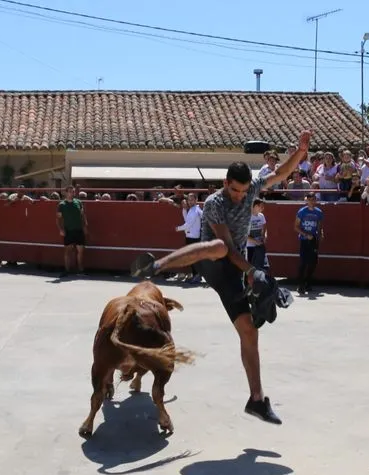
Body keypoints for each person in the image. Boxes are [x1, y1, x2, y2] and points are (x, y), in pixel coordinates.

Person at [131, 130, 314, 425]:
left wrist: (300, 153)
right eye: (235, 191)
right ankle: (156, 266)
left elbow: (280, 174)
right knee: (217, 246)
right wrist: (253, 271)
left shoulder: (252, 188)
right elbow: (228, 250)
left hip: (233, 272)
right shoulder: (216, 203)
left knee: (249, 332)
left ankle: (256, 400)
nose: (240, 197)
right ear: (226, 183)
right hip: (212, 262)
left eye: (244, 192)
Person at [294, 192, 324, 294]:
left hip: (314, 240)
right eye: (309, 199)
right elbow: (296, 227)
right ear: (306, 200)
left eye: (313, 199)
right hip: (304, 240)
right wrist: (306, 234)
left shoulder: (319, 212)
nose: (311, 201)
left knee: (313, 263)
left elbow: (319, 226)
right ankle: (300, 284)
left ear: (315, 200)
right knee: (303, 262)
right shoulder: (302, 211)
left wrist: (320, 234)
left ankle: (308, 283)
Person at [57, 185, 88, 276]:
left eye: (73, 191)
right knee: (67, 251)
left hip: (79, 230)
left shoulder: (78, 202)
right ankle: (67, 270)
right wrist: (61, 229)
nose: (72, 193)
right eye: (70, 191)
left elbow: (82, 215)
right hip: (68, 230)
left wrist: (85, 226)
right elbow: (58, 219)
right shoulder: (61, 205)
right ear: (66, 193)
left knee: (80, 251)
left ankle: (81, 270)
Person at [246, 198, 268, 271]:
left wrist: (264, 236)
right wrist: (256, 242)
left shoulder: (261, 216)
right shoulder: (247, 217)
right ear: (255, 206)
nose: (263, 208)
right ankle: (248, 282)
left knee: (260, 266)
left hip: (259, 246)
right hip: (249, 246)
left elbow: (264, 226)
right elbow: (244, 235)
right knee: (250, 267)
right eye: (261, 206)